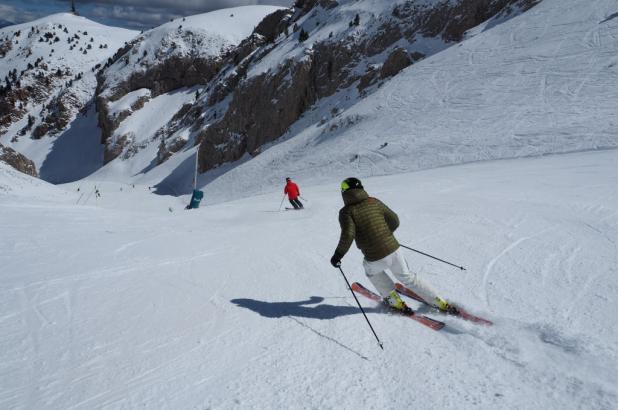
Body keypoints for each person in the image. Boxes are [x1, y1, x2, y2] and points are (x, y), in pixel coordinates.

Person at [330, 177, 456, 313]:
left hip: (374, 257)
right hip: (394, 249)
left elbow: (348, 234)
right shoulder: (374, 201)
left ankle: (393, 300)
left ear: (344, 192)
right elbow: (394, 220)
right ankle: (439, 301)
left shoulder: (346, 212)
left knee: (371, 271)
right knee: (408, 277)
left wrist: (338, 255)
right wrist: (385, 235)